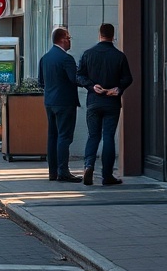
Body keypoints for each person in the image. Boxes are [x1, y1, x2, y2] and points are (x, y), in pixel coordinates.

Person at [76, 23, 133, 186]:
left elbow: (78, 76)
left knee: (93, 135)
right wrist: (118, 88)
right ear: (113, 35)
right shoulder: (119, 56)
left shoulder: (88, 54)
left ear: (99, 34)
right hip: (111, 102)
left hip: (94, 100)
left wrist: (91, 86)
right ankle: (107, 175)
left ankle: (88, 165)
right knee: (108, 136)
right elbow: (128, 78)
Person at [38, 27, 82, 183]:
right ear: (63, 39)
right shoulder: (66, 59)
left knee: (52, 136)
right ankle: (63, 171)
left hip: (49, 102)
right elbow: (74, 79)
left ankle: (53, 172)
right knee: (64, 136)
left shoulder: (45, 58)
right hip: (65, 102)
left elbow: (41, 82)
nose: (70, 41)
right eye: (69, 38)